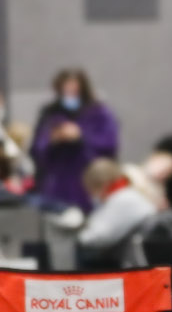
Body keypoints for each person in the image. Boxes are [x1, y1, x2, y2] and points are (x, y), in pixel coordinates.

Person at [30, 68, 119, 211]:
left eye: (74, 89)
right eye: (66, 89)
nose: (70, 93)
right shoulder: (50, 113)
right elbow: (37, 149)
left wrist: (80, 136)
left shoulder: (98, 112)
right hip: (57, 182)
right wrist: (53, 140)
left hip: (88, 179)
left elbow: (109, 144)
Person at [75, 158, 159, 268]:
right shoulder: (125, 195)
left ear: (101, 184)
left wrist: (76, 237)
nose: (91, 196)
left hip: (132, 264)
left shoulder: (123, 199)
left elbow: (99, 237)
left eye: (91, 189)